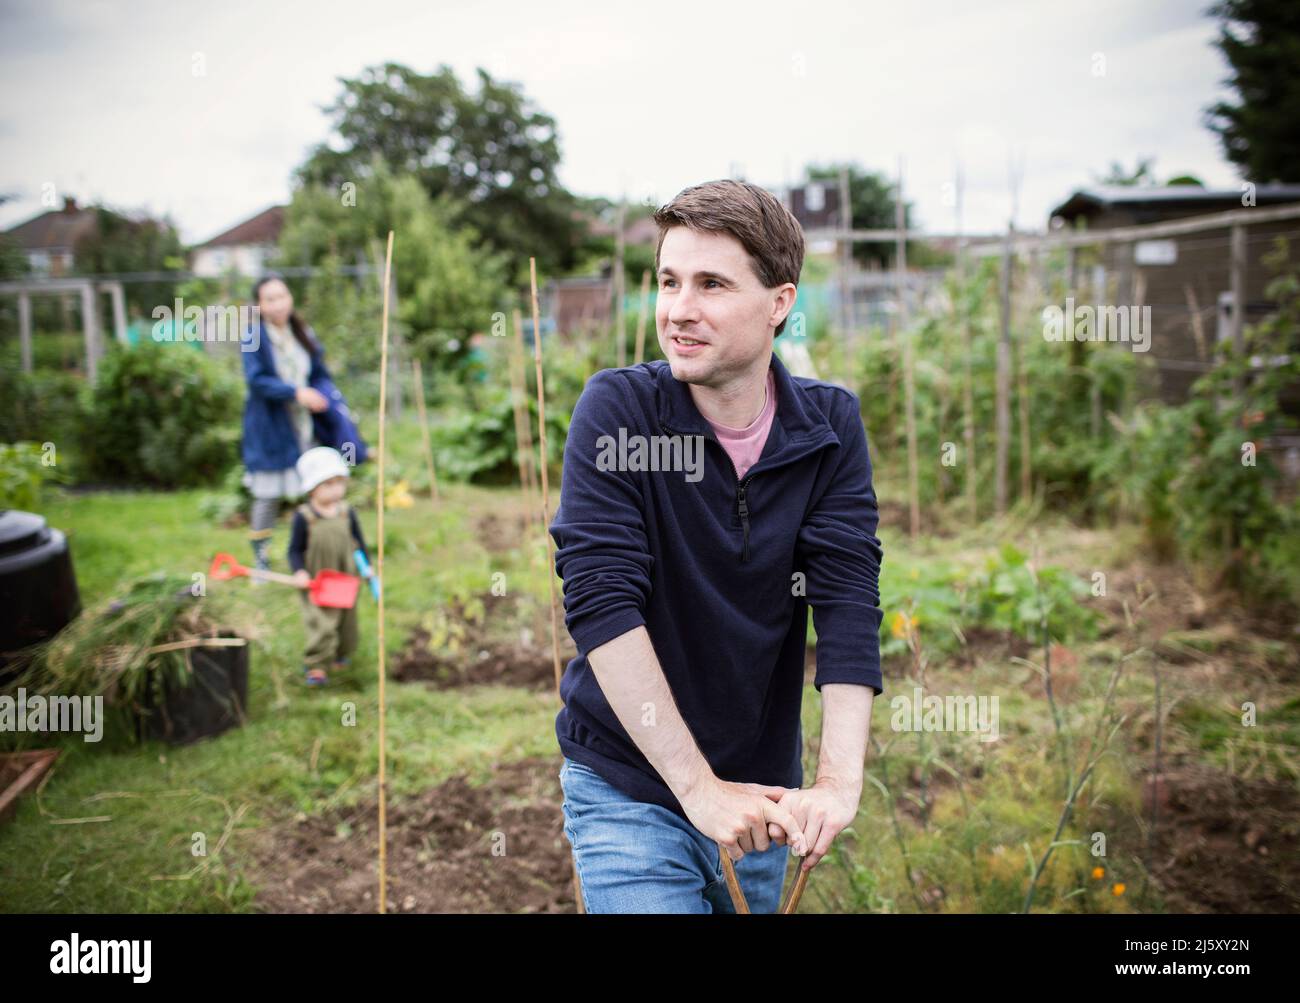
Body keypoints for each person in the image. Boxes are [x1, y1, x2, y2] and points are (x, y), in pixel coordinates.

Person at [550, 179, 884, 913]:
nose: (678, 310)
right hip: (629, 781)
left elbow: (848, 601)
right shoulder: (621, 413)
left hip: (760, 802)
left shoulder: (827, 431)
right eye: (669, 281)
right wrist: (697, 788)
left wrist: (835, 782)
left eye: (711, 284)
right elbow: (602, 603)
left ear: (779, 302)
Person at [239, 275, 331, 574]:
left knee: (313, 490)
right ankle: (261, 561)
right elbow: (256, 381)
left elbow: (318, 371)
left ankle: (309, 557)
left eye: (282, 296)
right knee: (268, 496)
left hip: (303, 426)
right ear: (259, 305)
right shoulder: (253, 336)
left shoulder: (303, 332)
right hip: (270, 428)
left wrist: (324, 394)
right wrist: (295, 392)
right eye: (270, 299)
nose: (278, 304)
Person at [288, 446, 371, 687]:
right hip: (319, 581)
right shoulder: (304, 517)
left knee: (347, 620)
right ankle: (316, 664)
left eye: (339, 483)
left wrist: (367, 567)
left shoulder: (346, 513)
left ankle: (339, 654)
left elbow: (359, 542)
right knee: (322, 623)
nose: (336, 490)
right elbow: (294, 550)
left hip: (345, 578)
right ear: (312, 488)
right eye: (328, 484)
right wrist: (299, 572)